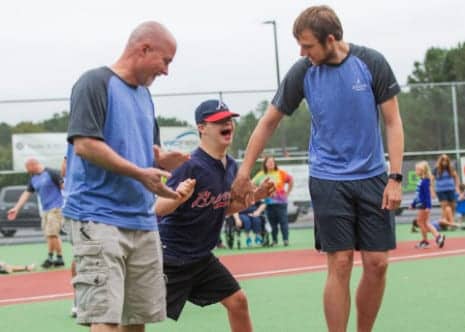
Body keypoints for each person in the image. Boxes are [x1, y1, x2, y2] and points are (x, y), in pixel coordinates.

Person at [231, 5, 404, 332]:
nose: (302, 51)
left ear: (331, 39)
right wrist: (243, 172)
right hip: (328, 179)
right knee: (339, 263)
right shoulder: (303, 71)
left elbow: (394, 122)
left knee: (377, 264)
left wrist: (395, 177)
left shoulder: (371, 63)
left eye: (308, 45)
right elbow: (268, 122)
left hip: (372, 177)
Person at [63, 21, 188, 330]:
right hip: (98, 216)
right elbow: (85, 145)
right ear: (143, 49)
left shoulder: (145, 96)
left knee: (138, 317)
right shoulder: (94, 83)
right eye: (165, 60)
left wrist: (164, 160)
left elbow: (149, 151)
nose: (166, 71)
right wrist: (139, 173)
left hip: (141, 219)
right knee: (104, 315)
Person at [156, 99, 274, 332]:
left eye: (229, 119)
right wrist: (178, 197)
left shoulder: (232, 166)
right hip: (170, 258)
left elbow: (223, 207)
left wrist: (256, 196)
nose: (227, 123)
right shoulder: (189, 165)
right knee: (134, 315)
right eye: (218, 120)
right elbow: (158, 209)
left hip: (200, 258)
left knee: (237, 302)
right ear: (202, 128)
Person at [8, 158, 65, 269]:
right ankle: (59, 258)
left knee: (51, 233)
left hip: (57, 208)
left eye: (28, 169)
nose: (28, 171)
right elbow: (26, 194)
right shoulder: (33, 178)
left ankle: (50, 257)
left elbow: (64, 187)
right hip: (45, 210)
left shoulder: (52, 173)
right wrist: (16, 208)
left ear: (33, 165)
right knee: (51, 236)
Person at [252, 156, 293, 246]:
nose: (271, 164)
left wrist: (288, 192)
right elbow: (252, 184)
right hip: (268, 203)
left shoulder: (281, 173)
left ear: (275, 163)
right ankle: (274, 241)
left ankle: (285, 240)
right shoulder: (261, 174)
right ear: (265, 164)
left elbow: (291, 180)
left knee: (283, 222)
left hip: (281, 202)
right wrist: (258, 191)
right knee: (272, 223)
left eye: (272, 162)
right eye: (268, 162)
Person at [410, 161, 445, 248]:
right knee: (424, 222)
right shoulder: (421, 181)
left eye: (417, 170)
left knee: (421, 222)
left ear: (422, 171)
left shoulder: (425, 181)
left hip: (424, 205)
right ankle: (437, 237)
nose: (415, 171)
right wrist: (413, 204)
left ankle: (426, 241)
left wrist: (428, 206)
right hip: (422, 205)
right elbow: (418, 195)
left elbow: (427, 195)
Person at [432, 154, 460, 225]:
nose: (445, 162)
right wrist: (432, 191)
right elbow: (431, 180)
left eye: (446, 160)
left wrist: (457, 187)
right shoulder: (436, 169)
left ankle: (451, 221)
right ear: (440, 161)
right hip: (441, 190)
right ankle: (444, 222)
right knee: (445, 206)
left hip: (451, 189)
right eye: (443, 160)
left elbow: (456, 177)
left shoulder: (451, 168)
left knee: (453, 205)